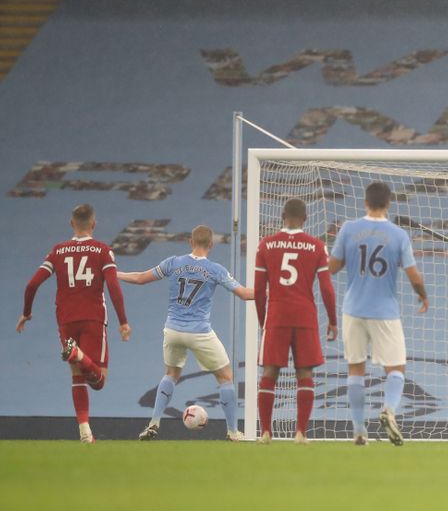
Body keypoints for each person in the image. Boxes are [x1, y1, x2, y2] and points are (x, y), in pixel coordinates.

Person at [117, 225, 253, 442]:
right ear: (211, 245)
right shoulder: (215, 269)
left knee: (171, 374)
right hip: (199, 331)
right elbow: (245, 294)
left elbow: (141, 278)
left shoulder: (173, 263)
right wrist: (273, 291)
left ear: (190, 242)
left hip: (172, 330)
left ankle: (154, 423)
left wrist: (114, 273)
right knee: (226, 377)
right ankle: (233, 432)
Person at [16, 204, 132, 443]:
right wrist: (123, 321)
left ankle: (84, 431)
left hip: (66, 319)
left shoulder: (58, 251)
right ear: (94, 224)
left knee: (77, 376)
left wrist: (26, 312)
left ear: (71, 224)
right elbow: (113, 286)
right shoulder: (102, 250)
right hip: (93, 318)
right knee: (98, 381)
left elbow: (31, 285)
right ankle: (78, 355)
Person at [329, 182, 428, 446]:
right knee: (396, 368)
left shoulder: (349, 229)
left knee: (355, 368)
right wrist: (422, 293)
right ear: (389, 203)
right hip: (384, 311)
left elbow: (332, 267)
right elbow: (413, 274)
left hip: (353, 309)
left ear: (365, 202)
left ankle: (360, 430)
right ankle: (389, 410)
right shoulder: (398, 235)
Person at [255, 198, 338, 444]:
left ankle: (266, 432)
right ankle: (300, 433)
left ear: (282, 216)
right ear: (306, 218)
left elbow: (260, 289)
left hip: (277, 314)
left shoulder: (265, 245)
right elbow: (326, 288)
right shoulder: (317, 246)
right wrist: (333, 320)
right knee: (305, 373)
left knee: (270, 371)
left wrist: (263, 321)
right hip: (305, 315)